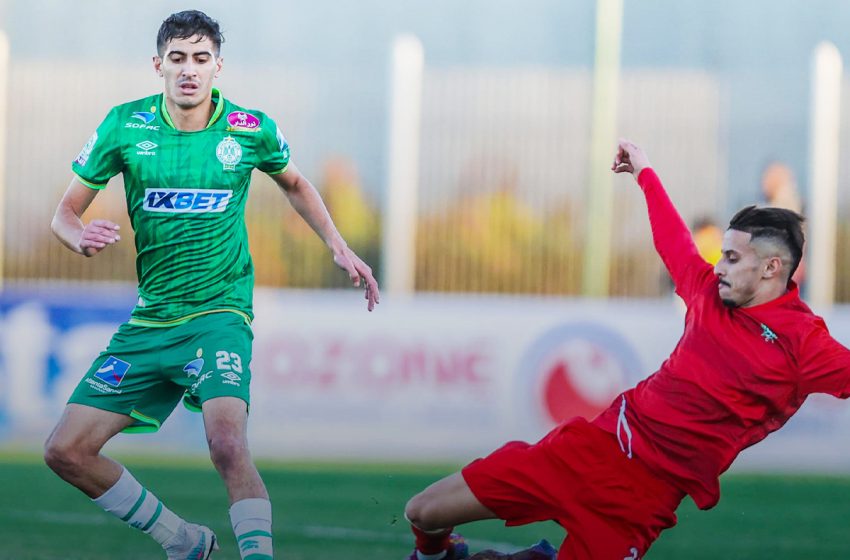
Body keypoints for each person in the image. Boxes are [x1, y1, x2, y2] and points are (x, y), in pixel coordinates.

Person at [403, 138, 850, 560]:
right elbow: (673, 241)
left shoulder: (804, 341)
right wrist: (645, 171)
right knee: (422, 511)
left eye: (732, 258)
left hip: (641, 503)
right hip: (587, 451)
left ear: (772, 268)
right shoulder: (708, 292)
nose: (718, 266)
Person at [44, 10, 379, 560]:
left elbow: (294, 181)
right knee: (65, 450)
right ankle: (183, 541)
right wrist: (77, 236)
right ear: (159, 65)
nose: (189, 71)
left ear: (218, 66)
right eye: (177, 59)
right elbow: (64, 212)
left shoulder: (250, 129)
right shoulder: (124, 126)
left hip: (219, 315)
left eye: (200, 59)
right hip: (150, 323)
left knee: (226, 443)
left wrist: (337, 244)